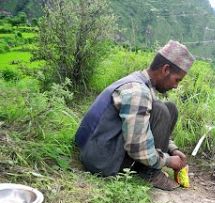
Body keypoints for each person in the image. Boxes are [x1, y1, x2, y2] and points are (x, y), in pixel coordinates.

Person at [75, 40, 195, 190]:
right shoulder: (138, 92)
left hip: (97, 147)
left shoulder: (141, 81)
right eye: (177, 80)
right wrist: (169, 161)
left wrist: (172, 149)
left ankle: (150, 168)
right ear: (165, 69)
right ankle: (149, 174)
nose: (176, 86)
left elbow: (143, 123)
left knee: (169, 108)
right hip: (100, 160)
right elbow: (136, 148)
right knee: (162, 110)